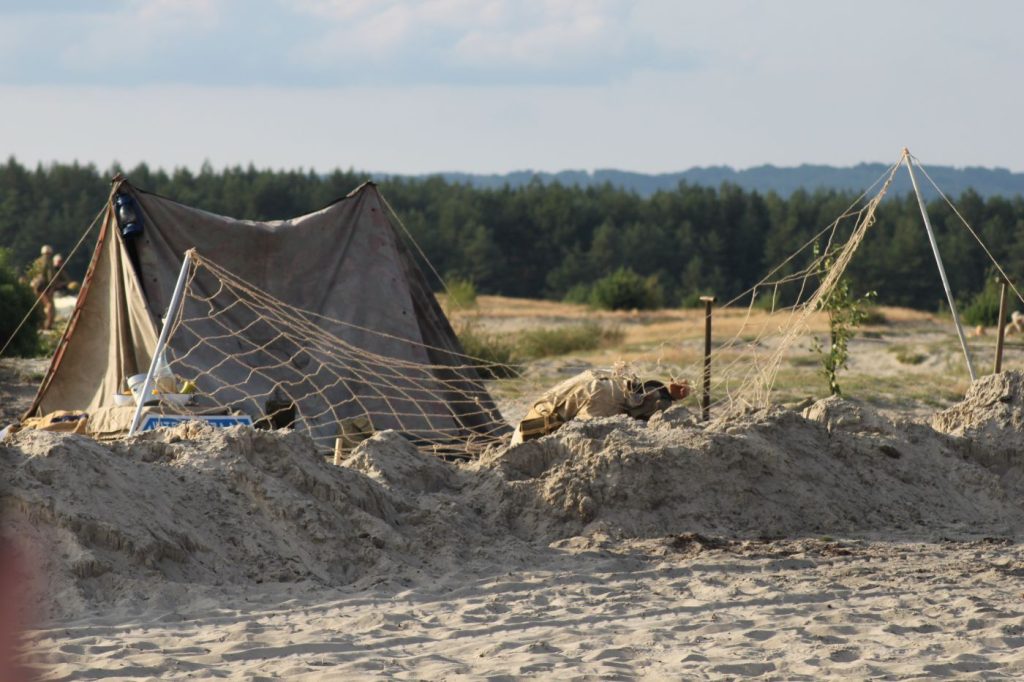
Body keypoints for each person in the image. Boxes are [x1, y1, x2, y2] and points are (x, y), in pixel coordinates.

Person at [511, 368, 689, 444]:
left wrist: (671, 395)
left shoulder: (622, 387)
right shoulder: (607, 401)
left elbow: (653, 396)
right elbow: (584, 437)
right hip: (530, 439)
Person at [27, 245, 56, 330]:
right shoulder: (49, 261)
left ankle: (39, 325)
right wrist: (51, 288)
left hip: (36, 287)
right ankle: (48, 325)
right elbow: (50, 276)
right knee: (49, 306)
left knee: (39, 307)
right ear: (50, 252)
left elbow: (32, 274)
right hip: (45, 288)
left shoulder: (37, 262)